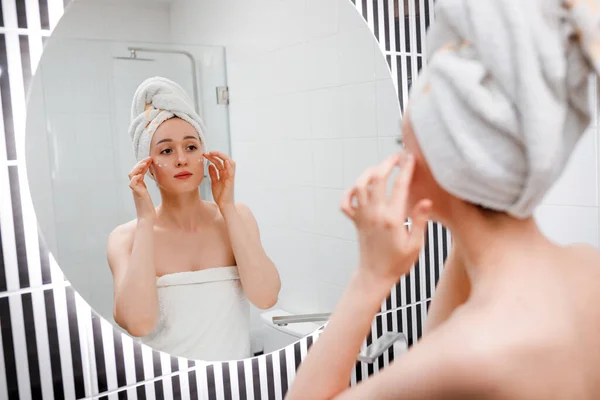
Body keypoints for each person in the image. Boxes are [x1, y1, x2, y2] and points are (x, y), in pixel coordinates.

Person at [287, 0, 600, 398]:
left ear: (448, 161)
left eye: (405, 143)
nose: (399, 161)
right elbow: (442, 332)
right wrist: (464, 213)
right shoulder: (588, 266)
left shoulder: (474, 352)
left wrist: (371, 279)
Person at [106, 77, 280, 361]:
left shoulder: (238, 217)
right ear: (146, 166)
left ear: (204, 154)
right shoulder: (125, 238)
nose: (181, 159)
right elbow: (137, 324)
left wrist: (227, 208)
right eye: (166, 150)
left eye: (190, 147)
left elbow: (266, 297)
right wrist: (146, 222)